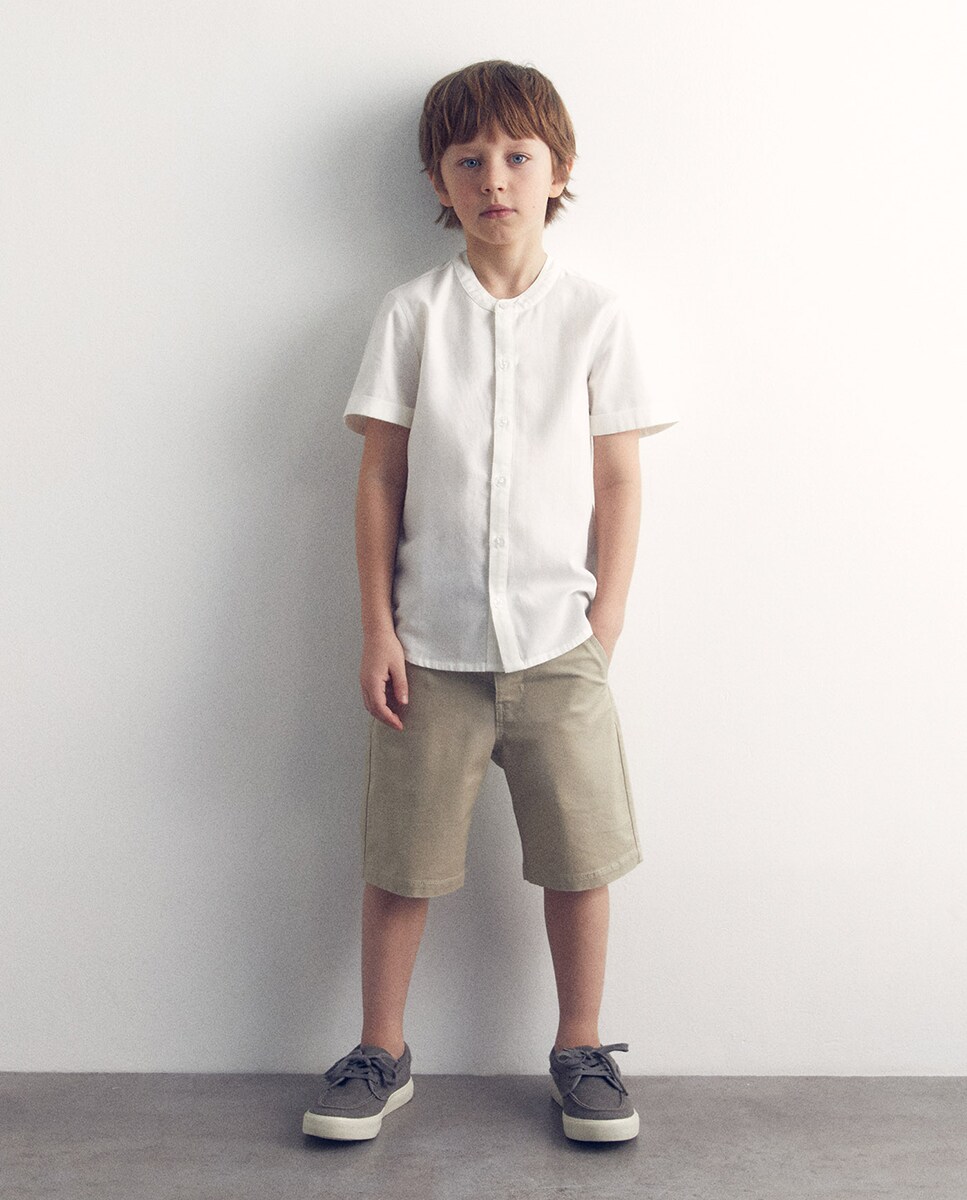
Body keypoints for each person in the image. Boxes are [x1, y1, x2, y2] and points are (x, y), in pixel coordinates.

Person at [303, 59, 676, 1145]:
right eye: (468, 160)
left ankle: (581, 1047)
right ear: (438, 179)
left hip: (560, 648)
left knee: (579, 858)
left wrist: (604, 626)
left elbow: (618, 481)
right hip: (429, 651)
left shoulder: (596, 317)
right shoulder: (412, 314)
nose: (494, 178)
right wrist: (377, 628)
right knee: (401, 862)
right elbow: (380, 476)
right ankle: (381, 1049)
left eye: (517, 155)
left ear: (559, 169)